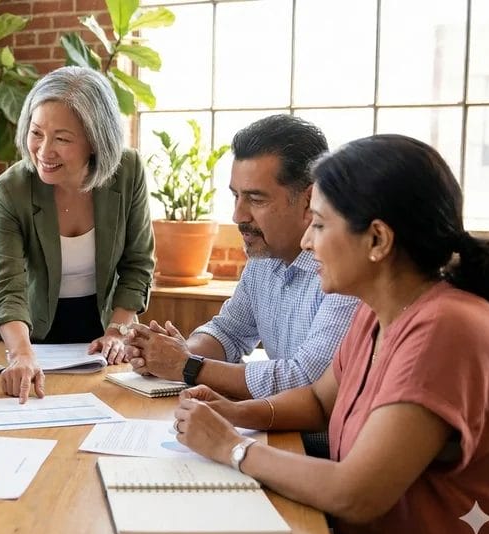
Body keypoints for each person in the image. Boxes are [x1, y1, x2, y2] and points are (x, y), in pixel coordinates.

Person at [174, 135, 489, 534]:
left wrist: (230, 446)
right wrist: (236, 412)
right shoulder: (378, 310)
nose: (306, 242)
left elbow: (355, 494)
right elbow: (320, 401)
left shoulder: (447, 330)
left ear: (377, 240)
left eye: (318, 224)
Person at [125, 114, 357, 456]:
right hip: (276, 436)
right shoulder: (264, 257)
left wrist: (189, 366)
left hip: (324, 452)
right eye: (235, 196)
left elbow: (306, 381)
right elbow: (229, 331)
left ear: (310, 201)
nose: (237, 216)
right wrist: (172, 354)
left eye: (256, 199)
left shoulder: (347, 272)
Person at [0, 66, 155, 403]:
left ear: (95, 140)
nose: (44, 150)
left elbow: (137, 264)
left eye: (62, 138)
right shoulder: (10, 191)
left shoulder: (128, 171)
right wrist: (21, 354)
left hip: (104, 337)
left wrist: (118, 332)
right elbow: (7, 286)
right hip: (26, 336)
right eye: (36, 133)